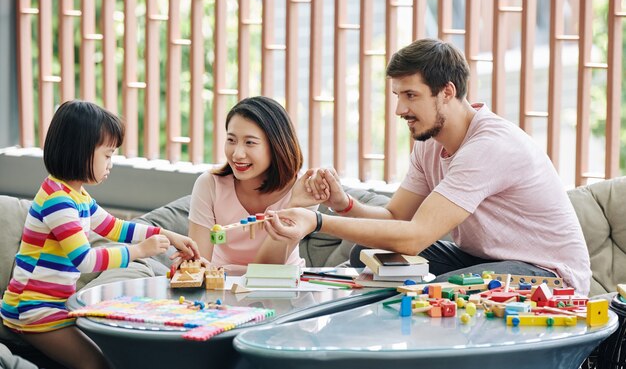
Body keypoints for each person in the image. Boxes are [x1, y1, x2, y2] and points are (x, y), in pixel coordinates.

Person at [264, 38, 592, 295]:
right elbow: (397, 219)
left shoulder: (489, 146)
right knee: (369, 252)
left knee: (446, 289)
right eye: (396, 95)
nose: (399, 109)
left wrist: (317, 221)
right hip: (487, 262)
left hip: (549, 276)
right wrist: (343, 205)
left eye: (410, 95)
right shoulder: (429, 143)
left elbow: (414, 238)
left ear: (446, 91)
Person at [1, 100, 200, 369]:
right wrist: (139, 251)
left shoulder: (76, 195)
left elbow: (114, 227)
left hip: (55, 305)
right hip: (32, 308)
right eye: (107, 155)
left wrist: (166, 233)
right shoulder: (57, 200)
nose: (111, 163)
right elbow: (84, 259)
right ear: (80, 152)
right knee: (96, 364)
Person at [187, 96, 326, 272]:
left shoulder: (302, 191)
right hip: (220, 285)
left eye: (250, 143)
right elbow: (198, 266)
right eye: (231, 140)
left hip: (282, 288)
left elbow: (269, 270)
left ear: (276, 145)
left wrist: (294, 205)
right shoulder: (209, 184)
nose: (237, 154)